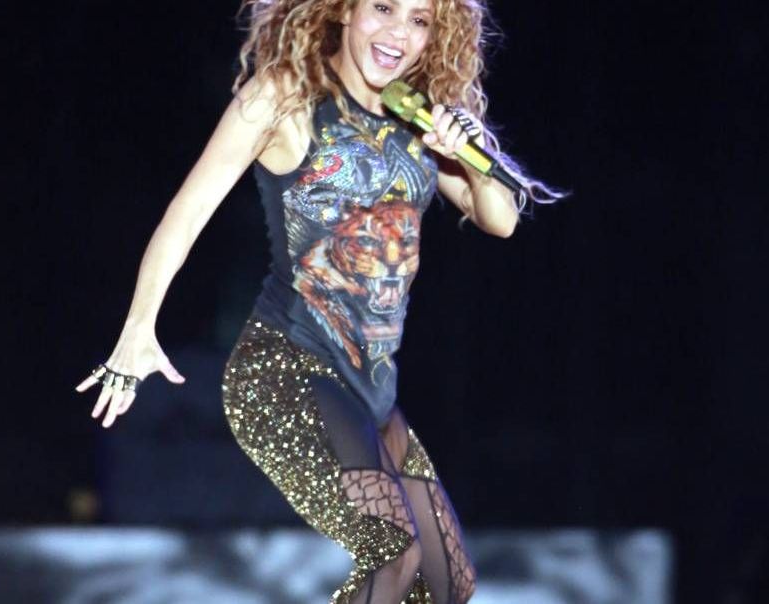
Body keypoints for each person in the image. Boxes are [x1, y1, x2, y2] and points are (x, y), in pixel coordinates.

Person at [75, 0, 563, 601]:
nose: (398, 32)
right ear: (344, 11)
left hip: (371, 392)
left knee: (448, 583)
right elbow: (188, 212)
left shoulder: (415, 115)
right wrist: (138, 327)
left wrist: (470, 154)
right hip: (285, 370)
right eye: (383, 8)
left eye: (419, 21)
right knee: (394, 550)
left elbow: (501, 220)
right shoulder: (284, 95)